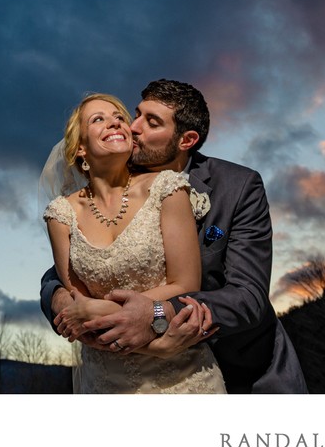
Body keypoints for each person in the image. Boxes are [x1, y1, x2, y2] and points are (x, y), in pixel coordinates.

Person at [41, 80, 307, 393]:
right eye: (136, 115)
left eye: (151, 122)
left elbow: (247, 297)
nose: (133, 127)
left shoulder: (238, 187)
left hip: (244, 369)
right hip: (125, 374)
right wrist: (57, 297)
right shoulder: (114, 180)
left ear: (186, 140)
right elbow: (82, 261)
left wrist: (159, 315)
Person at [41, 92, 226, 393]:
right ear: (80, 150)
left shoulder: (167, 188)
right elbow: (79, 306)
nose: (115, 123)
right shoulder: (60, 215)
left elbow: (186, 283)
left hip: (185, 378)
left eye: (119, 118)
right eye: (98, 119)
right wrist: (89, 313)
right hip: (106, 382)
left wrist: (105, 314)